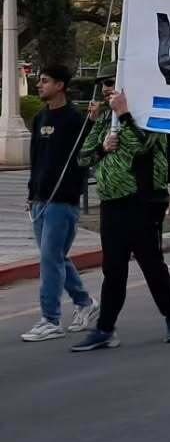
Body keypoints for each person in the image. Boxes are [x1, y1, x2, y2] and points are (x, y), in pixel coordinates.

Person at [71, 68, 170, 351]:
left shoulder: (147, 115)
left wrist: (124, 114)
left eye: (111, 83)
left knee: (151, 264)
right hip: (111, 204)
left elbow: (143, 144)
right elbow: (82, 157)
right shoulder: (103, 120)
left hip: (143, 202)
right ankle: (105, 329)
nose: (106, 89)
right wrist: (102, 148)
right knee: (113, 269)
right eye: (103, 85)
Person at [20, 66, 99, 342]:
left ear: (60, 85)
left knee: (50, 259)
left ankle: (50, 319)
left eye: (45, 81)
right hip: (40, 200)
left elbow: (86, 156)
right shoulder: (40, 118)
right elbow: (36, 159)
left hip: (63, 201)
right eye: (40, 81)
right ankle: (85, 302)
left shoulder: (75, 120)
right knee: (54, 257)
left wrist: (92, 123)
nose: (39, 85)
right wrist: (32, 193)